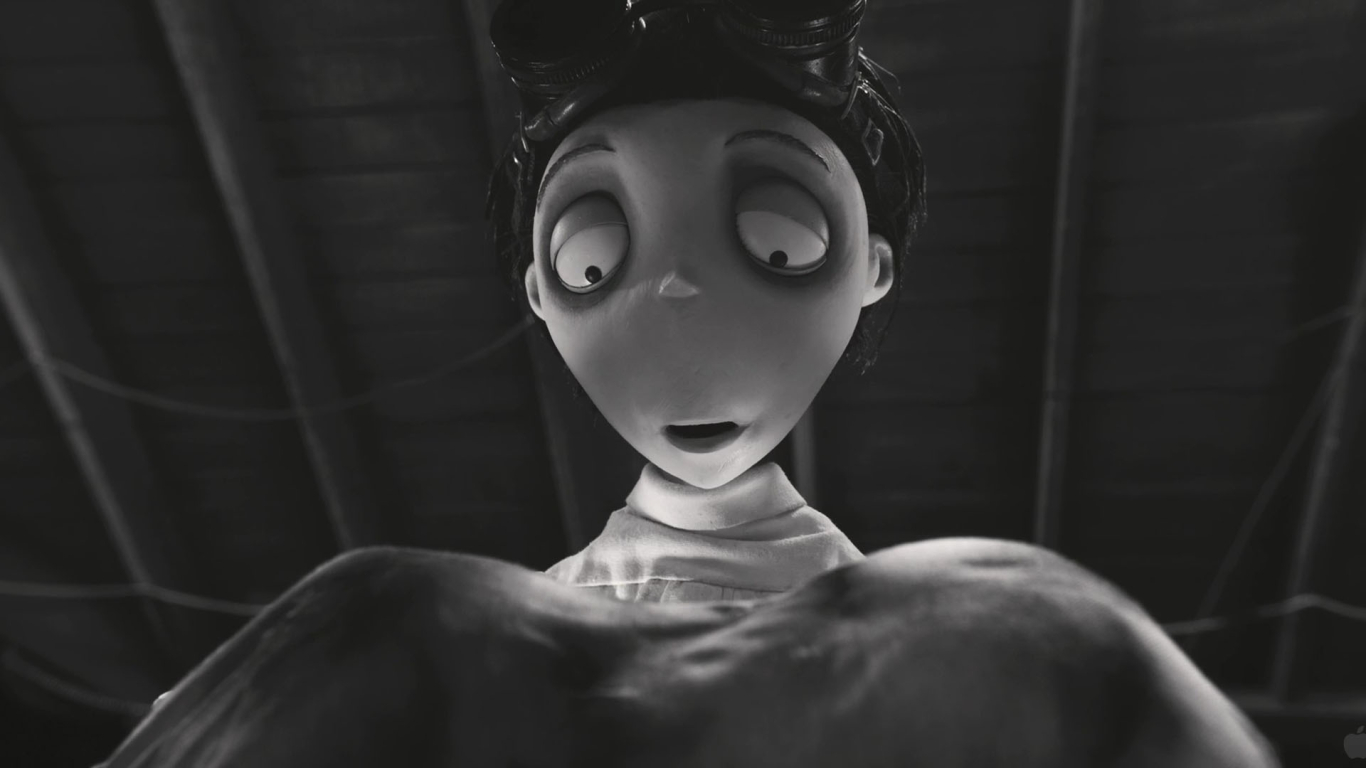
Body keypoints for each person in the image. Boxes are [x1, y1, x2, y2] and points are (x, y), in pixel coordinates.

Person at [485, 0, 925, 601]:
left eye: (781, 245)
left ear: (872, 270)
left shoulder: (894, 620)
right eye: (589, 261)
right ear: (539, 292)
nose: (677, 285)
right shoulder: (527, 616)